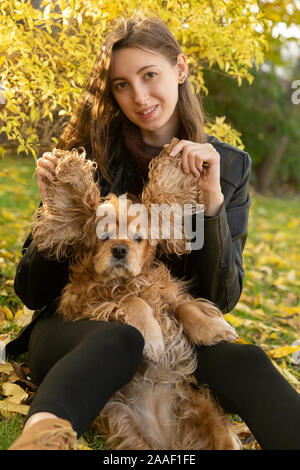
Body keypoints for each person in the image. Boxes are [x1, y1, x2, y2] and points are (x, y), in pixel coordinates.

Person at [7, 12, 300, 451]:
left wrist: (212, 202)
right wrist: (54, 216)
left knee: (250, 361)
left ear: (180, 69)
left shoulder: (229, 166)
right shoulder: (87, 155)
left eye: (149, 75)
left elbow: (221, 298)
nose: (138, 96)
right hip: (80, 331)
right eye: (122, 84)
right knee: (120, 339)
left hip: (174, 332)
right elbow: (32, 292)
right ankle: (40, 439)